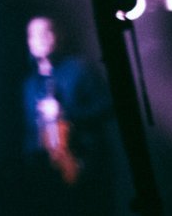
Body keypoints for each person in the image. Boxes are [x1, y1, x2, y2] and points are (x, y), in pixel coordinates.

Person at [20, 15, 115, 214]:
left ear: (59, 36)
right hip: (46, 171)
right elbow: (30, 131)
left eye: (47, 32)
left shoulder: (79, 69)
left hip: (84, 164)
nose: (42, 38)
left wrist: (66, 114)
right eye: (34, 34)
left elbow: (107, 106)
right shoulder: (30, 84)